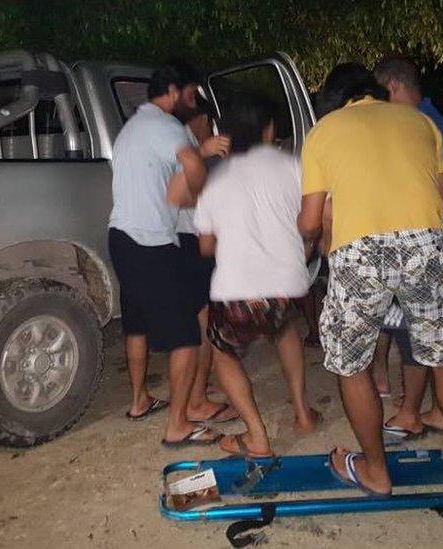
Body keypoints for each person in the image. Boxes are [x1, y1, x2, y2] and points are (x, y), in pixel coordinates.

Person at [297, 63, 443, 495]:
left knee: (352, 364)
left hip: (360, 252)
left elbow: (310, 223)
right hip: (423, 245)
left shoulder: (324, 132)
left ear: (335, 100)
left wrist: (315, 232)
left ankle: (376, 471)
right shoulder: (420, 122)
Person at [174, 94, 320, 457]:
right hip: (288, 286)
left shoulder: (217, 178)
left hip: (238, 292)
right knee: (285, 330)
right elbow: (312, 223)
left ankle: (256, 436)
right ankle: (303, 414)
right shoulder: (294, 166)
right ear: (269, 130)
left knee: (223, 352)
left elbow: (205, 248)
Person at [107, 60, 223, 447]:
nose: (191, 100)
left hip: (123, 237)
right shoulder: (166, 125)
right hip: (150, 243)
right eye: (188, 92)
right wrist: (198, 191)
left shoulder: (133, 128)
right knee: (188, 335)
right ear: (173, 90)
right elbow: (190, 162)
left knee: (137, 322)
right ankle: (179, 424)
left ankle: (140, 401)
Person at [369, 57, 443, 437]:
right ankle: (431, 412)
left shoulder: (418, 124)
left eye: (380, 94)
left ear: (394, 85)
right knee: (430, 339)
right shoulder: (429, 120)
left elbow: (438, 198)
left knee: (423, 340)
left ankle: (412, 413)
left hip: (435, 245)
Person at [174, 92, 241, 424]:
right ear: (197, 117)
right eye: (207, 119)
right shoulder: (188, 144)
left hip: (187, 238)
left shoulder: (182, 141)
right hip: (191, 239)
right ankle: (196, 400)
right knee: (202, 323)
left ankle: (197, 391)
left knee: (200, 320)